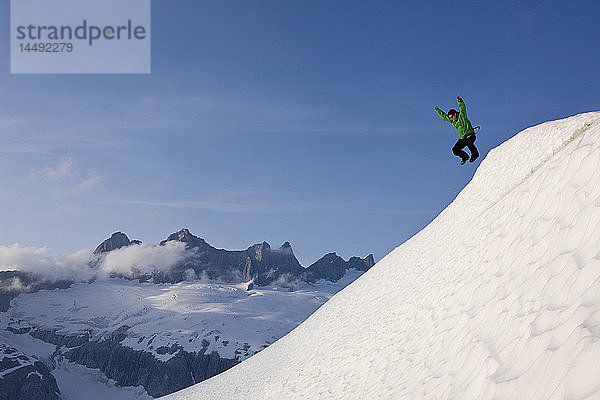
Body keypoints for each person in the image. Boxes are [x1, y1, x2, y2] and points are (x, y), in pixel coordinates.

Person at [435, 96, 479, 165]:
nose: (451, 118)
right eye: (450, 117)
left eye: (452, 117)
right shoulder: (452, 121)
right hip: (463, 138)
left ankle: (475, 155)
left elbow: (463, 108)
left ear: (455, 114)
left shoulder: (462, 116)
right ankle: (465, 156)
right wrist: (438, 110)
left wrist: (460, 101)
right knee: (455, 150)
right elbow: (444, 117)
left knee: (469, 143)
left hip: (471, 135)